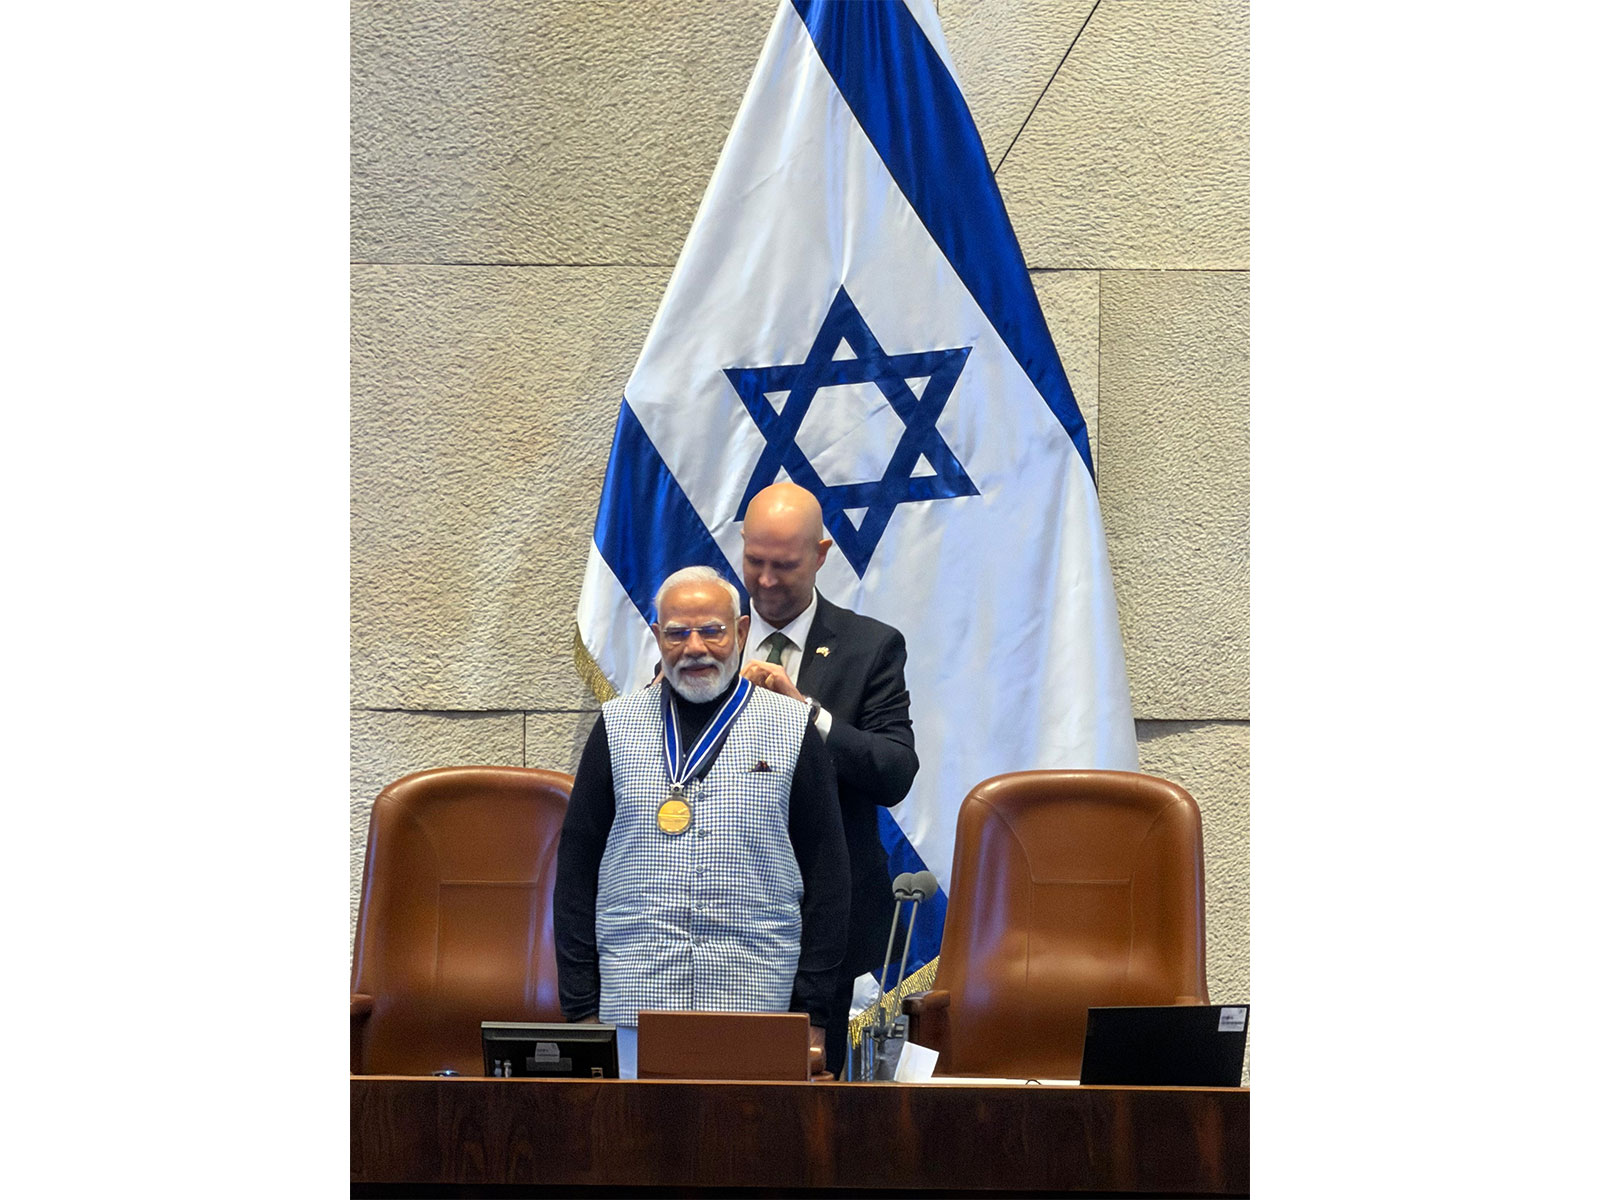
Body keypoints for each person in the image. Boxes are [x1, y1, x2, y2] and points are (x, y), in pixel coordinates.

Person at [555, 565, 849, 1078]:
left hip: (757, 1002)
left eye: (712, 631)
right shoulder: (617, 727)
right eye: (677, 633)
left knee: (747, 1132)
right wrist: (581, 1008)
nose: (695, 648)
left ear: (741, 632)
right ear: (657, 637)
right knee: (635, 1132)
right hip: (634, 1003)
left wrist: (815, 1015)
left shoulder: (790, 727)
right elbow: (576, 874)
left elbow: (828, 881)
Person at [738, 482, 919, 1076]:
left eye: (785, 566)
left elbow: (894, 771)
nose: (766, 581)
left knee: (819, 1102)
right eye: (754, 561)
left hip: (829, 925)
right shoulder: (706, 638)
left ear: (820, 555)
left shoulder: (870, 647)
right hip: (721, 919)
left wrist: (807, 713)